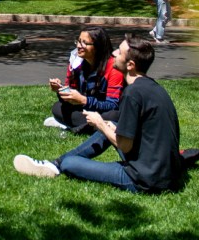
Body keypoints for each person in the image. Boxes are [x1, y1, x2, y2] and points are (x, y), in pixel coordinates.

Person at [13, 34, 184, 194]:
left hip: (145, 179)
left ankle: (58, 164)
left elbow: (125, 146)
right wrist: (107, 127)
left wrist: (100, 124)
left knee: (70, 163)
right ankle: (53, 165)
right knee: (113, 126)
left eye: (119, 52)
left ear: (130, 65)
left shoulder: (133, 93)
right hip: (167, 173)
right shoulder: (153, 87)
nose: (114, 54)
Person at [43, 26, 124, 134]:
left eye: (84, 43)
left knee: (114, 115)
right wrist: (61, 90)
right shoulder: (76, 63)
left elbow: (113, 104)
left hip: (103, 111)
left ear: (98, 47)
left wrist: (83, 100)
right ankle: (90, 127)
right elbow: (72, 96)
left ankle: (76, 126)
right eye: (78, 41)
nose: (79, 46)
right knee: (57, 107)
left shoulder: (113, 67)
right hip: (85, 110)